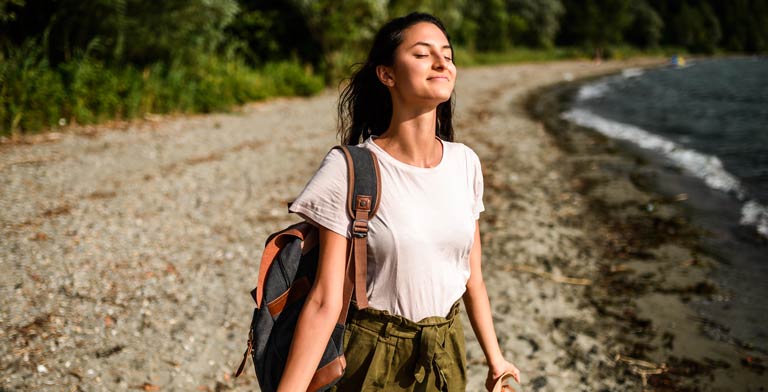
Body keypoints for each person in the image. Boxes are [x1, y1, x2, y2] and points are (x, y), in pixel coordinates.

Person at [277, 12, 521, 392]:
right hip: (373, 357)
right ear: (386, 74)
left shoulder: (465, 163)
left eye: (447, 54)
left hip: (446, 353)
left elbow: (472, 277)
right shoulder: (350, 168)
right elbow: (325, 300)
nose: (442, 63)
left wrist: (496, 359)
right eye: (423, 54)